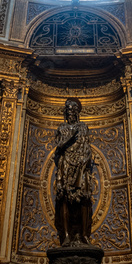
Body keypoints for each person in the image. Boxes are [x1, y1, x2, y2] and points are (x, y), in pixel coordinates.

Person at [53, 97, 94, 246]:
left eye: (73, 112)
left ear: (77, 113)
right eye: (68, 112)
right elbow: (59, 147)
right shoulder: (62, 128)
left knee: (83, 198)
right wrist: (70, 138)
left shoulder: (83, 127)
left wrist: (85, 160)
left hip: (81, 165)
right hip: (66, 165)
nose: (71, 115)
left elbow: (87, 147)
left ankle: (84, 235)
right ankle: (66, 235)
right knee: (64, 197)